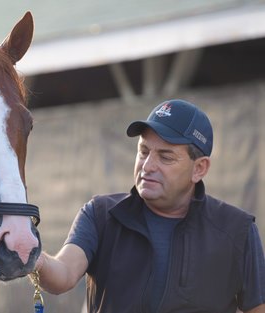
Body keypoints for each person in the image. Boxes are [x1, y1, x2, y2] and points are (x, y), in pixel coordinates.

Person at [34, 99, 265, 313]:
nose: (148, 166)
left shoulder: (237, 231)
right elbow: (62, 275)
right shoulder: (101, 215)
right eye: (143, 151)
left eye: (165, 157)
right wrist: (35, 258)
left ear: (199, 168)